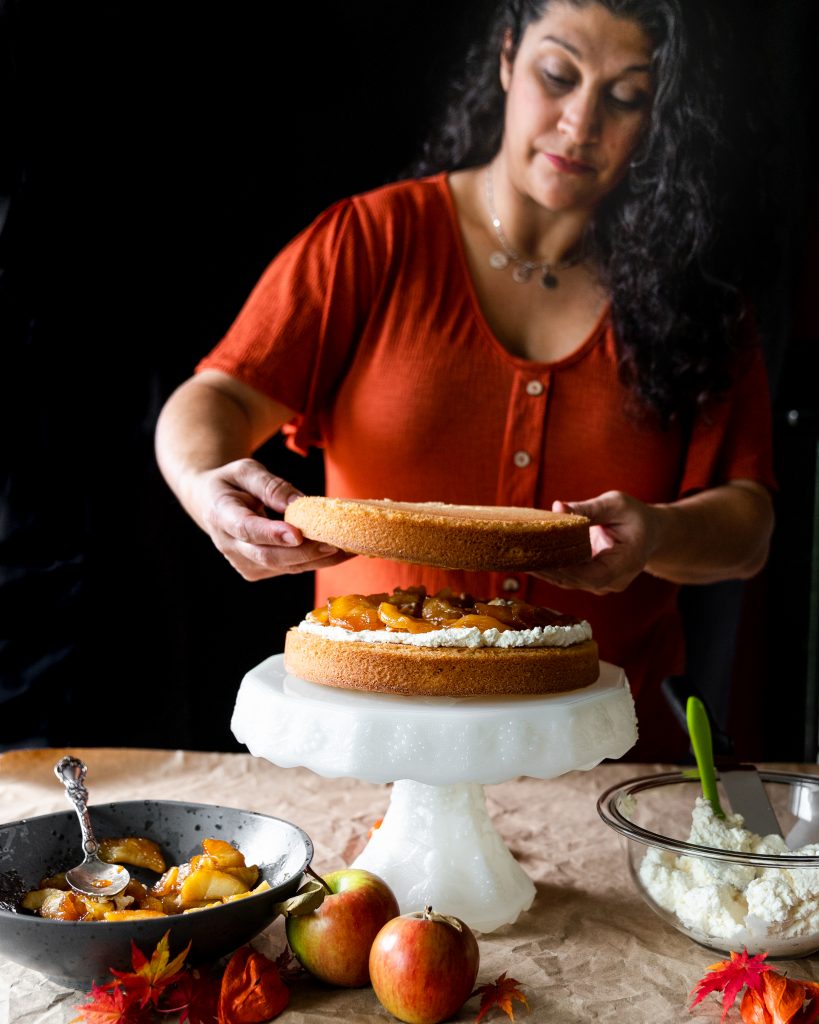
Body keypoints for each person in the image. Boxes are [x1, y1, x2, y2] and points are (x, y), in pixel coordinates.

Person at [155, 0, 776, 759]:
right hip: (369, 747)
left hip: (600, 766)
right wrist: (205, 488)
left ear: (661, 117)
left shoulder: (699, 300)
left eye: (624, 97)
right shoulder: (371, 240)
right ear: (509, 57)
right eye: (558, 74)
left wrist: (658, 534)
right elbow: (216, 395)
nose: (579, 124)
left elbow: (747, 526)